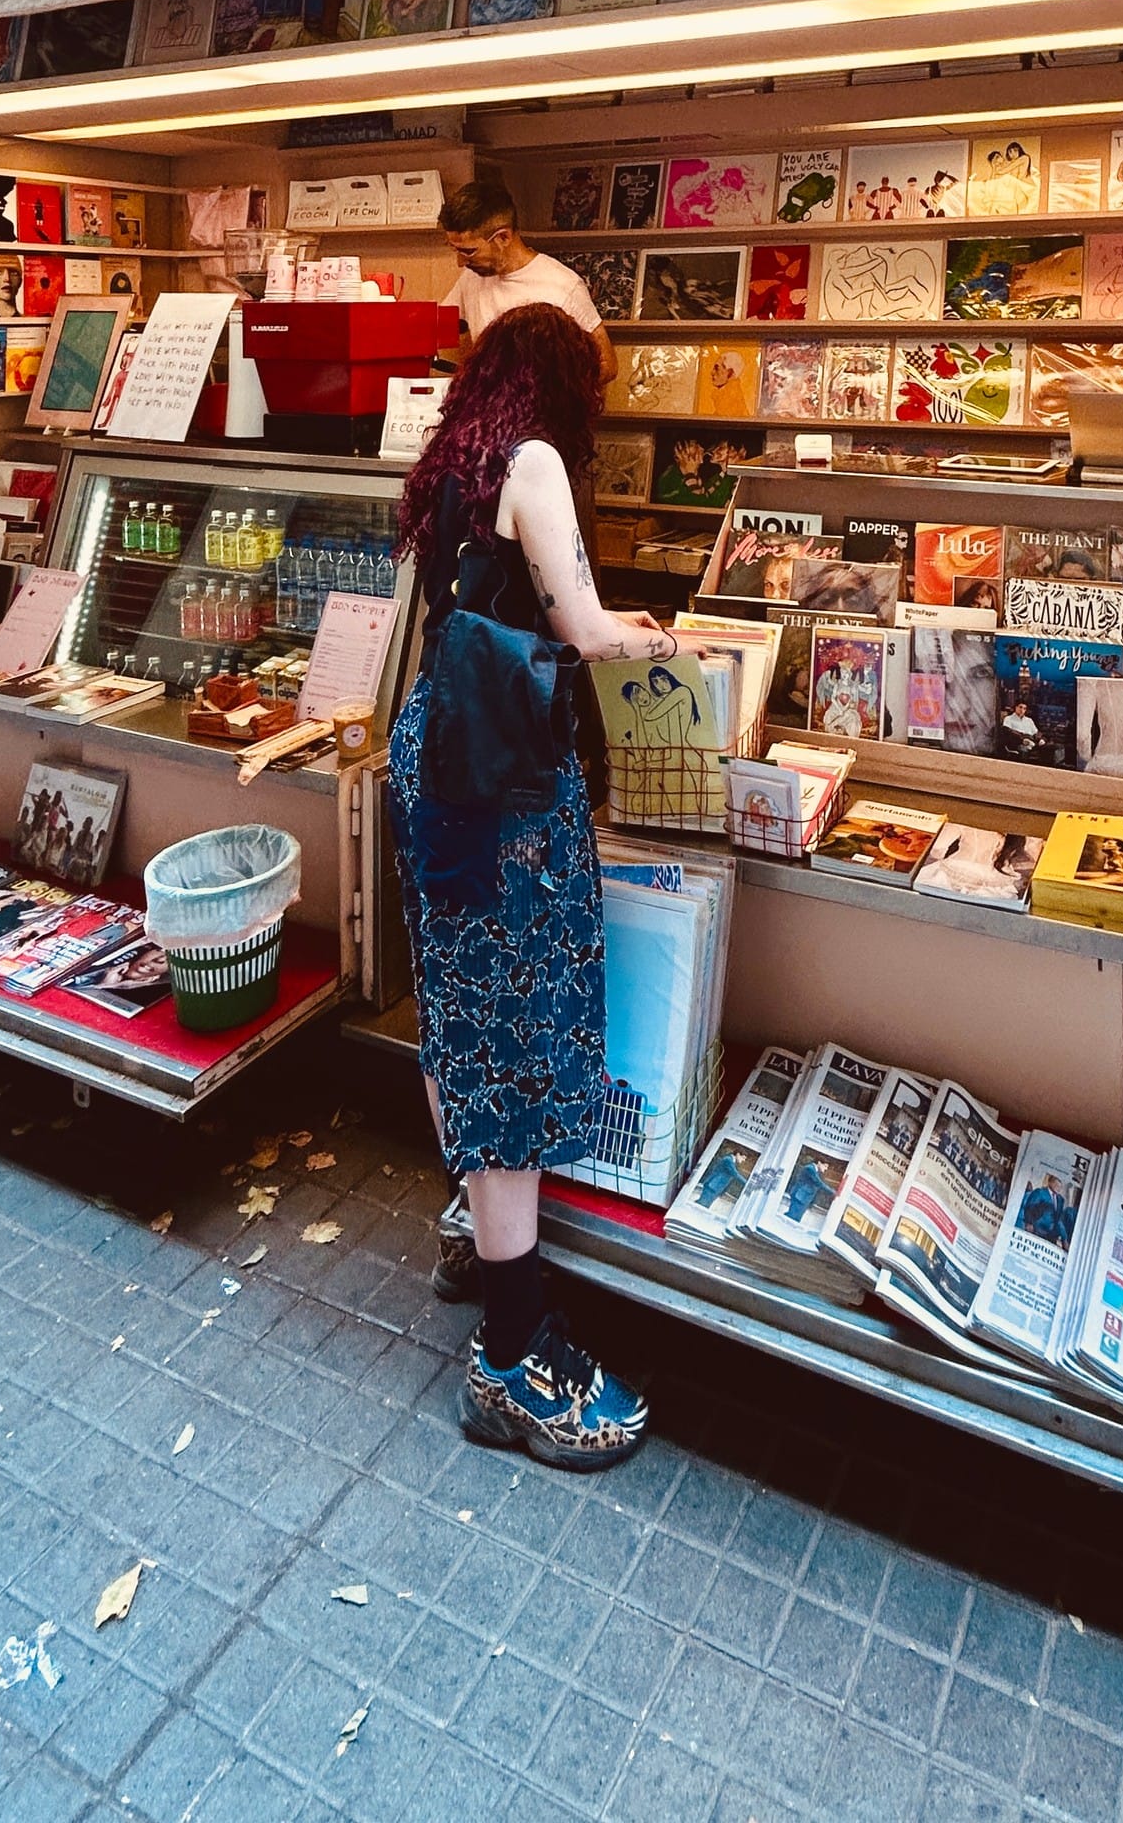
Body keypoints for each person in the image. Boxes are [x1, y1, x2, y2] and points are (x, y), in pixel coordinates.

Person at [388, 303, 672, 1469]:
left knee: (456, 1013)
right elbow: (583, 625)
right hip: (502, 785)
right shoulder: (537, 460)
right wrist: (654, 637)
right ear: (564, 383)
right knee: (510, 1033)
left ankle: (474, 1233)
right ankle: (512, 1358)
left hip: (432, 755)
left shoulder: (453, 464)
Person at [437, 177, 615, 384]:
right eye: (455, 249)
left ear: (503, 237)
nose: (460, 261)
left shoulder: (562, 285)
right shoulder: (471, 277)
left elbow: (607, 365)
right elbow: (443, 325)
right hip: (491, 411)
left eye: (468, 251)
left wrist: (545, 392)